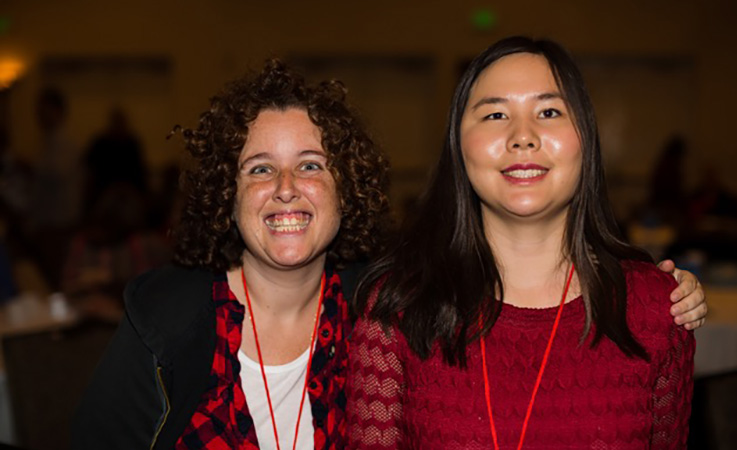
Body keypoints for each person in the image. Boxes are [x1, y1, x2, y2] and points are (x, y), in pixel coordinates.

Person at [347, 37, 698, 449]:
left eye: (549, 111)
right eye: (495, 114)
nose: (523, 136)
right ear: (458, 147)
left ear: (585, 138)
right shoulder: (398, 309)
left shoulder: (658, 309)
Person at [71, 60, 390, 449]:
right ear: (227, 193)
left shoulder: (382, 315)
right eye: (260, 169)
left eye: (309, 165)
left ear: (346, 188)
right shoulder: (164, 319)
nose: (285, 187)